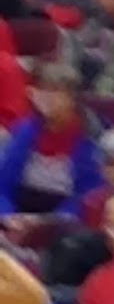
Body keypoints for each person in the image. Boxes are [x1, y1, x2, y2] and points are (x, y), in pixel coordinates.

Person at [0, 62, 101, 218]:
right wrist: (7, 215)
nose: (46, 99)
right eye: (42, 91)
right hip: (18, 211)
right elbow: (3, 184)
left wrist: (49, 222)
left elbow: (88, 196)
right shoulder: (23, 130)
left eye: (54, 92)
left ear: (72, 98)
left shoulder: (91, 138)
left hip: (64, 218)